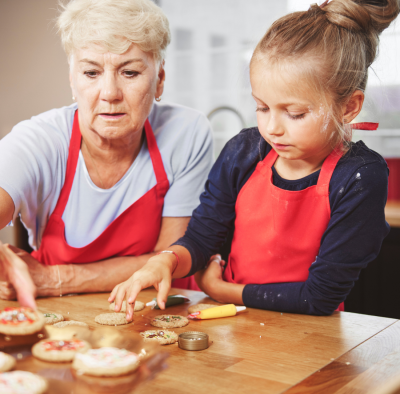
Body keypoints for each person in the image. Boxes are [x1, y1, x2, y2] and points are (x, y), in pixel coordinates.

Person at [110, 0, 399, 320]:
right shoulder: (244, 151)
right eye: (262, 107)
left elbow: (318, 298)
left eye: (295, 113)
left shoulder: (359, 178)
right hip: (228, 323)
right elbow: (202, 238)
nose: (272, 128)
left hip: (307, 332)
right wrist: (166, 260)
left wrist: (222, 291)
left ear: (348, 107)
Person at [0, 0, 213, 309]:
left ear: (160, 80)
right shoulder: (37, 141)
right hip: (59, 314)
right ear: (72, 79)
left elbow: (169, 256)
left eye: (129, 72)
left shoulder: (186, 132)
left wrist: (54, 279)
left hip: (155, 309)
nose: (110, 93)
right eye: (91, 72)